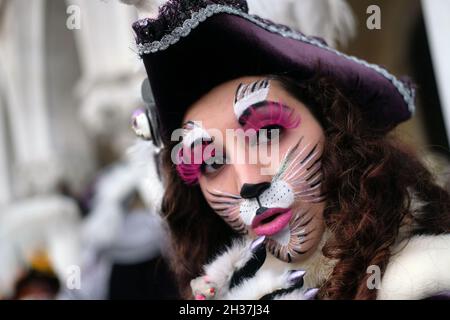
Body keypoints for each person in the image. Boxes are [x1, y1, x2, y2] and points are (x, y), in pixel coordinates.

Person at [130, 0, 450, 299]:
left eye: (268, 132)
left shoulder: (426, 280)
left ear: (332, 125)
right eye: (211, 162)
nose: (248, 182)